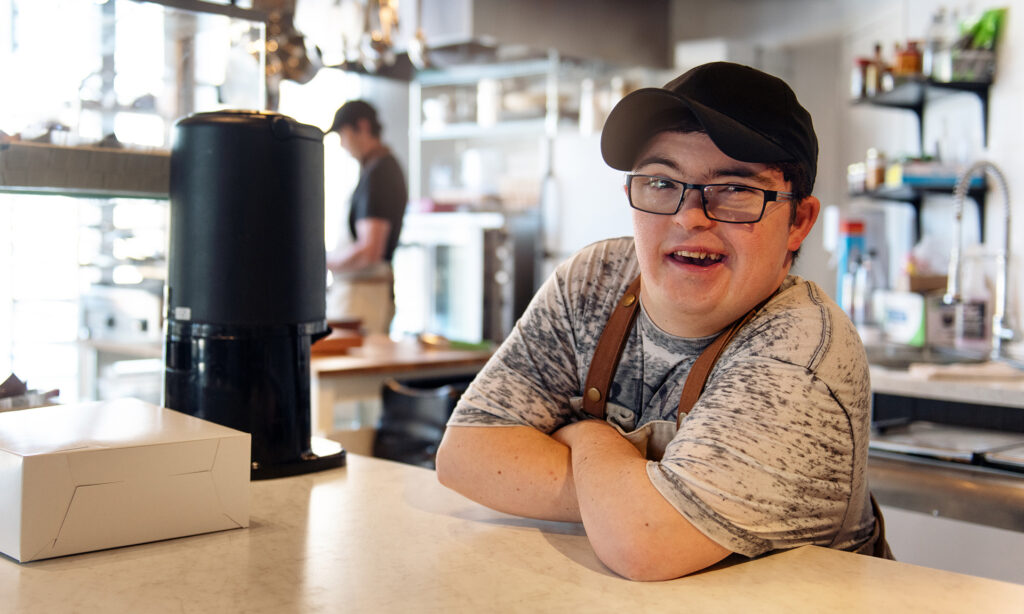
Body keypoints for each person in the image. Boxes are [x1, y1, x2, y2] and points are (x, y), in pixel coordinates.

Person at [435, 62, 891, 581]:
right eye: (660, 181)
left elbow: (647, 541)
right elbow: (465, 453)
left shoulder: (800, 350)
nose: (689, 217)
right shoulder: (593, 280)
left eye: (736, 189)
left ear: (799, 222)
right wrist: (626, 493)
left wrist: (588, 438)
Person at [325, 99, 408, 335]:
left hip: (362, 299)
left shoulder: (380, 173)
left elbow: (370, 250)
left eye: (344, 134)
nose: (342, 144)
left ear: (362, 127)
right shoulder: (375, 168)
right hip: (360, 295)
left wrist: (323, 263)